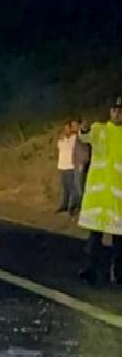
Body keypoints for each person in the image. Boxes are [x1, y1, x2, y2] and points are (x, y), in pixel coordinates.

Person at [76, 98, 122, 285]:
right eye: (115, 110)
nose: (117, 113)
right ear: (110, 111)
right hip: (98, 199)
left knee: (119, 241)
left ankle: (118, 274)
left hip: (117, 199)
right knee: (94, 239)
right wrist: (84, 129)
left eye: (120, 110)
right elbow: (84, 137)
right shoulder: (99, 129)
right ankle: (90, 270)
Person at [57, 120, 81, 214]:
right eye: (65, 128)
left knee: (72, 188)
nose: (66, 130)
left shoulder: (75, 138)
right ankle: (64, 205)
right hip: (61, 166)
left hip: (70, 166)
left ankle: (72, 207)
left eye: (68, 128)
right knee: (64, 188)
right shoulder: (61, 139)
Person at [73, 121, 92, 219]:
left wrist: (82, 163)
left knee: (80, 188)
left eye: (75, 125)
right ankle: (79, 207)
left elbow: (85, 151)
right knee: (78, 187)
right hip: (77, 164)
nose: (74, 127)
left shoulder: (84, 136)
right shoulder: (78, 136)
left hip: (81, 164)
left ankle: (82, 208)